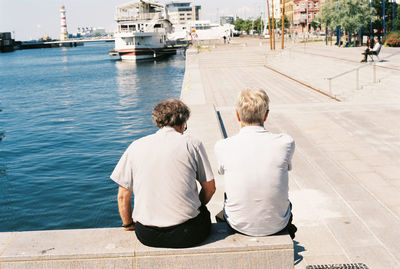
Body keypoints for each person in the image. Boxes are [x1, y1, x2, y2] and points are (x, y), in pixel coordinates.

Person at [110, 99, 216, 248]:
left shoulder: (136, 146)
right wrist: (197, 207)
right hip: (188, 233)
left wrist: (127, 224)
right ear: (183, 121)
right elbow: (210, 189)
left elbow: (123, 195)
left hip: (147, 236)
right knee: (204, 212)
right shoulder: (192, 144)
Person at [214, 89, 297, 239]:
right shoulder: (285, 142)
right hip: (278, 223)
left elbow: (221, 171)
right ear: (266, 115)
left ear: (238, 115)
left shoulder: (223, 146)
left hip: (238, 224)